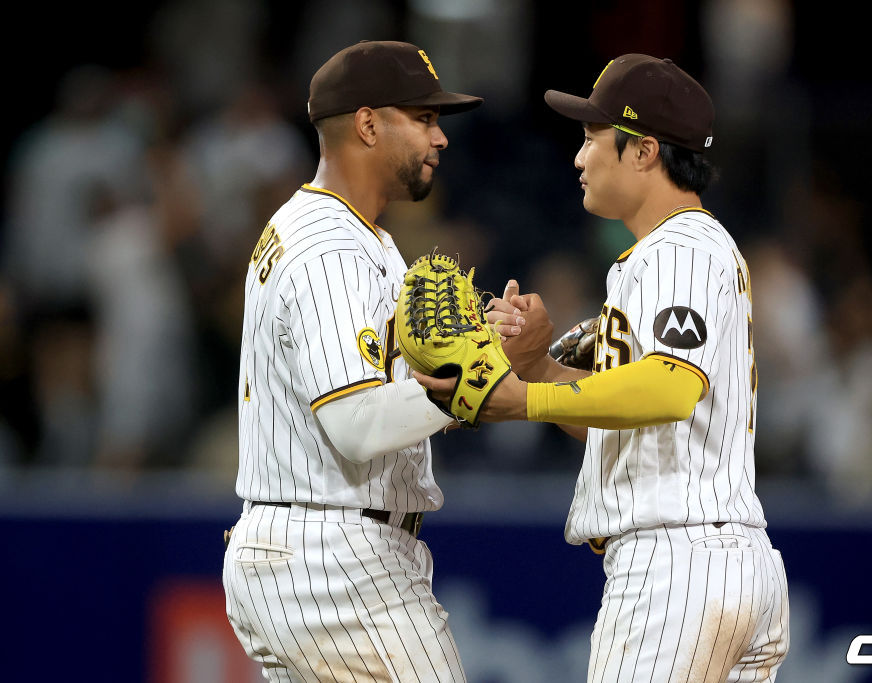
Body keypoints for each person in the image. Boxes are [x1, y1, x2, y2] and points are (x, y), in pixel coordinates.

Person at [417, 54, 790, 682]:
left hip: (677, 564)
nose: (578, 156)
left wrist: (524, 402)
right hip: (716, 557)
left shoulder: (681, 246)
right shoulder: (666, 252)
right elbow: (620, 419)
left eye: (591, 136)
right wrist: (536, 367)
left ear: (643, 151)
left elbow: (672, 387)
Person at [221, 40, 488, 682]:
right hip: (335, 559)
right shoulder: (330, 249)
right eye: (422, 118)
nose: (440, 137)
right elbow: (357, 424)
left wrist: (482, 362)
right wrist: (477, 376)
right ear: (367, 124)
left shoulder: (348, 233)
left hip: (309, 542)